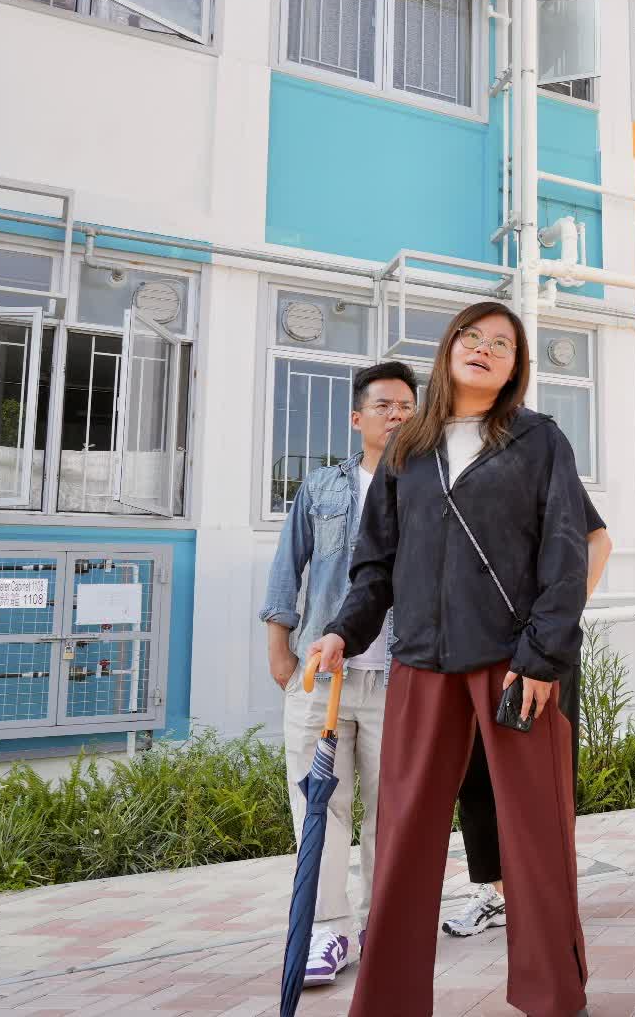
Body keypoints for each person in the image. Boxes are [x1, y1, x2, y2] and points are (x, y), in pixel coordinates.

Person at [311, 300, 591, 1017]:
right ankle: (388, 1003)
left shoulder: (539, 441)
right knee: (404, 837)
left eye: (503, 343)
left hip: (515, 666)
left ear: (515, 367)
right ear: (449, 347)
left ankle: (556, 999)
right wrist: (343, 630)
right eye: (473, 335)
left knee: (535, 838)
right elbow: (375, 566)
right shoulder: (407, 447)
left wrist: (542, 657)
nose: (485, 348)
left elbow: (566, 552)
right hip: (422, 663)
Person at [259, 361, 418, 986]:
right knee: (318, 810)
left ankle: (387, 926)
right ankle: (328, 931)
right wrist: (279, 650)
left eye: (407, 406)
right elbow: (287, 565)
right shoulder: (322, 487)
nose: (397, 415)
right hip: (320, 680)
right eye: (384, 405)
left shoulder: (427, 488)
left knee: (391, 812)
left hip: (398, 680)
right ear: (357, 417)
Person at [445, 523, 610, 939]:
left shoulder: (547, 480)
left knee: (542, 780)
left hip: (539, 651)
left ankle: (548, 894)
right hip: (475, 649)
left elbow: (599, 542)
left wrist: (558, 625)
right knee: (476, 774)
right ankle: (495, 892)